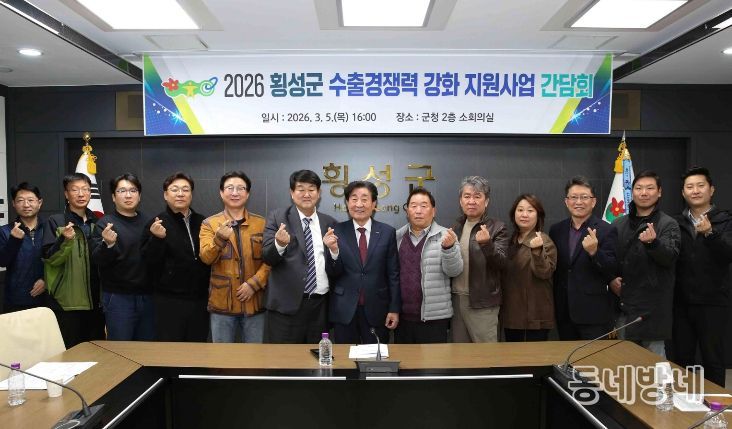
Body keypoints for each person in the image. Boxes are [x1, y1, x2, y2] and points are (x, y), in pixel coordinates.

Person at [672, 167, 732, 387]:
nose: (695, 191)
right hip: (681, 302)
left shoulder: (725, 220)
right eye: (689, 187)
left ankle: (716, 405)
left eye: (700, 186)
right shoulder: (676, 222)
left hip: (713, 301)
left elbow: (728, 253)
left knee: (713, 359)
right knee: (682, 358)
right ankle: (683, 403)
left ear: (711, 189)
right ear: (683, 192)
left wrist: (710, 233)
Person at [263, 170, 337, 344]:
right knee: (283, 359)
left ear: (319, 193)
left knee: (317, 357)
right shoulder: (278, 218)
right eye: (301, 189)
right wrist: (279, 244)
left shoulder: (330, 223)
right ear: (291, 192)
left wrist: (334, 251)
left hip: (320, 306)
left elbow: (337, 267)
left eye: (311, 189)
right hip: (285, 308)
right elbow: (267, 257)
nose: (306, 194)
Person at [611, 170, 680, 357]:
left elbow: (670, 257)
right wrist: (610, 279)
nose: (644, 193)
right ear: (632, 192)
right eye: (639, 188)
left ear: (659, 192)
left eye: (650, 188)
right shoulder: (617, 224)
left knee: (655, 366)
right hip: (625, 308)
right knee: (624, 365)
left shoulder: (668, 224)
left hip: (653, 310)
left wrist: (653, 244)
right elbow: (612, 261)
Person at [324, 181, 400, 344]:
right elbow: (332, 273)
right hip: (344, 309)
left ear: (374, 204)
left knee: (375, 357)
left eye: (364, 199)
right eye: (354, 199)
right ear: (347, 203)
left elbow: (393, 274)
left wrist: (394, 308)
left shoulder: (387, 232)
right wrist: (334, 251)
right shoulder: (336, 231)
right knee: (345, 357)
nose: (359, 204)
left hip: (377, 309)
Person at [199, 171, 270, 343]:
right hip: (222, 304)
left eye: (240, 188)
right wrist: (219, 239)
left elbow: (270, 260)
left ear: (248, 193)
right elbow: (206, 258)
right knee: (222, 356)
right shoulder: (209, 224)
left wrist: (254, 284)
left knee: (255, 356)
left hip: (254, 302)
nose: (235, 192)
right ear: (221, 193)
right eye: (230, 188)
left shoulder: (262, 223)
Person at [141, 172, 211, 342]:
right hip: (168, 301)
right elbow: (148, 261)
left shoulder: (203, 222)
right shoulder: (156, 223)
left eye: (185, 190)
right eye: (175, 189)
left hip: (200, 300)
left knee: (197, 349)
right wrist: (157, 239)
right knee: (170, 351)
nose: (180, 194)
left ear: (191, 194)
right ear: (166, 195)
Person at [549, 176, 618, 340]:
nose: (578, 202)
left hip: (594, 313)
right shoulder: (556, 230)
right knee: (567, 356)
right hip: (564, 311)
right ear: (566, 202)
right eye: (574, 197)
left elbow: (612, 268)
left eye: (584, 197)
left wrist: (595, 252)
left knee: (594, 357)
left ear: (593, 202)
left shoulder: (606, 230)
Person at [42, 173, 106, 348]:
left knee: (97, 351)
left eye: (85, 189)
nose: (81, 194)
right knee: (71, 352)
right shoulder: (56, 221)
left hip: (96, 300)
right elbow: (50, 258)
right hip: (67, 302)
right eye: (75, 190)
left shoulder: (99, 221)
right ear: (66, 194)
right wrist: (64, 240)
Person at [394, 187, 462, 343]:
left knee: (434, 360)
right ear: (407, 211)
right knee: (404, 359)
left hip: (434, 319)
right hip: (402, 318)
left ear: (433, 211)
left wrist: (448, 249)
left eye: (424, 206)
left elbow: (454, 271)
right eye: (413, 206)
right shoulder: (397, 237)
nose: (418, 211)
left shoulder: (446, 236)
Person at [90, 173, 153, 341]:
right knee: (120, 349)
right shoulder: (105, 224)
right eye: (122, 191)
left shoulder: (149, 222)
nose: (128, 195)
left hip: (147, 297)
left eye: (133, 190)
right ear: (113, 196)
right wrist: (108, 244)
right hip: (118, 298)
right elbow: (97, 259)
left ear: (139, 195)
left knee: (147, 349)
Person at [450, 176, 508, 343]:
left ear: (486, 201)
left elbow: (502, 263)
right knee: (460, 354)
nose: (471, 201)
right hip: (457, 300)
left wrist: (487, 244)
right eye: (467, 196)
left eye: (477, 196)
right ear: (460, 201)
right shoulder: (456, 227)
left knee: (485, 354)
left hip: (483, 303)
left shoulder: (497, 227)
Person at [501, 194, 557, 342]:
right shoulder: (510, 241)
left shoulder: (544, 241)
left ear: (538, 215)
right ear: (514, 214)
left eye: (530, 210)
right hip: (511, 316)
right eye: (520, 210)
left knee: (532, 357)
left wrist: (537, 251)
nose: (524, 214)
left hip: (534, 318)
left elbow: (545, 272)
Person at [0, 183, 46, 313]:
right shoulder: (4, 231)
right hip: (16, 300)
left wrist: (46, 280)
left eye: (30, 200)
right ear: (13, 204)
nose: (26, 205)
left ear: (39, 203)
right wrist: (14, 240)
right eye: (20, 200)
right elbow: (2, 261)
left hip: (47, 299)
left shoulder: (50, 228)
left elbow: (58, 260)